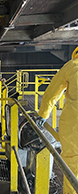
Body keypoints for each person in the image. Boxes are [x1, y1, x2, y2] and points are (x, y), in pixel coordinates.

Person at [36, 46, 78, 194]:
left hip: (74, 128)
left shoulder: (72, 66)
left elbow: (52, 93)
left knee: (73, 166)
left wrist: (43, 114)